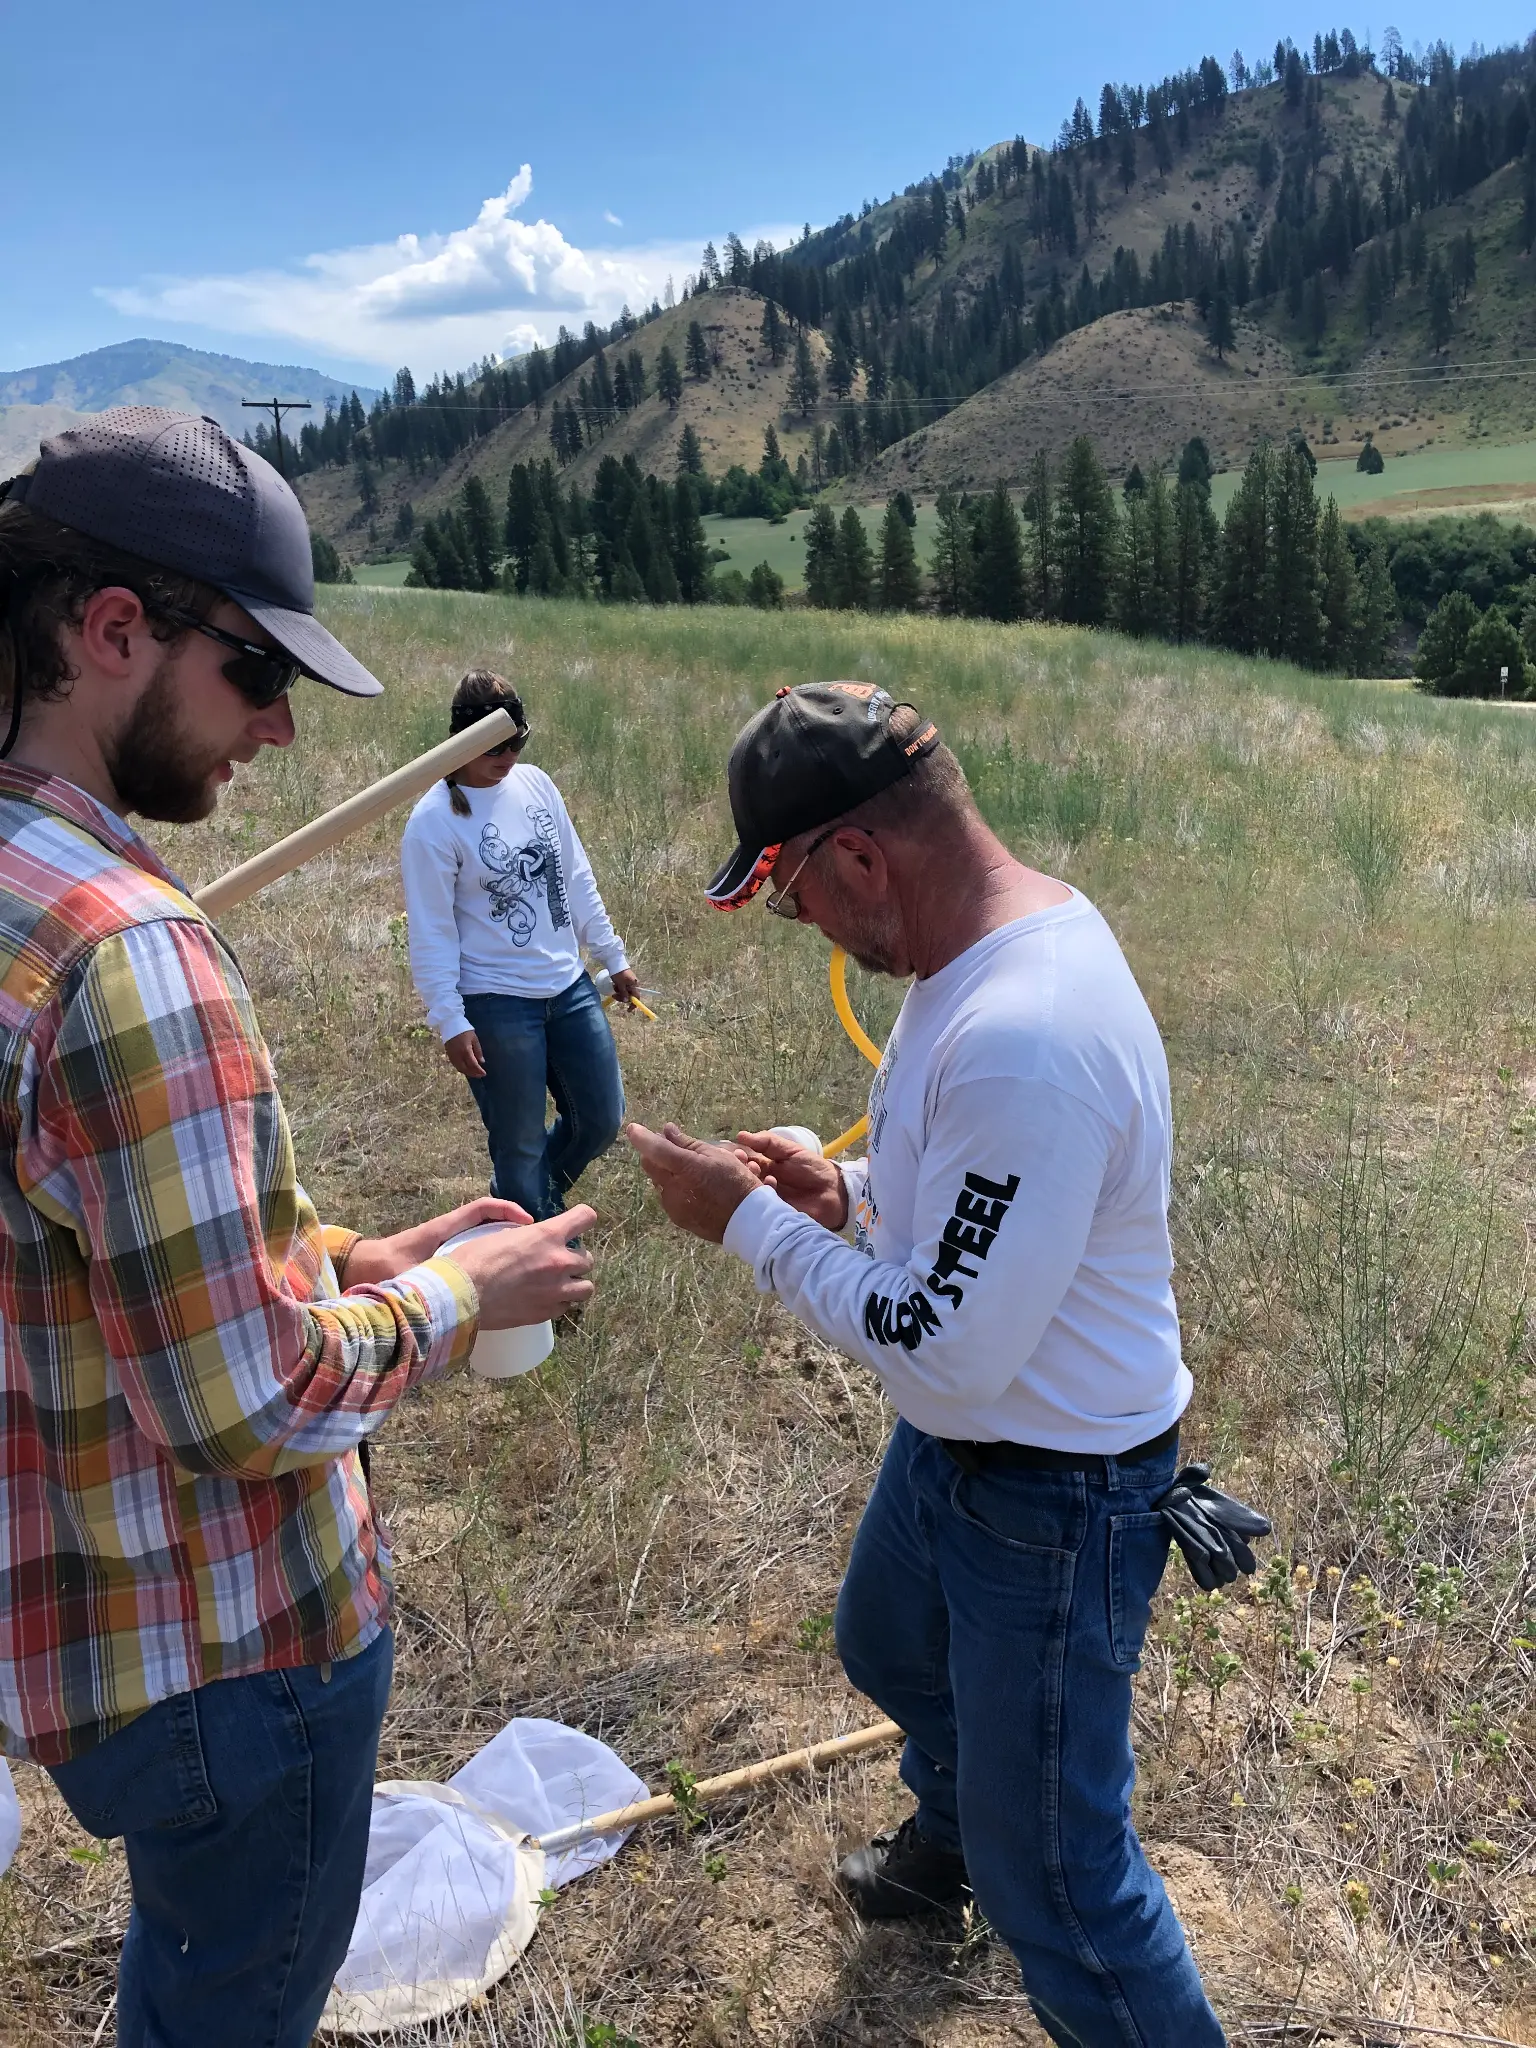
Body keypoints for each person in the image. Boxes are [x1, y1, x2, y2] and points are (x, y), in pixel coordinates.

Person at [0, 410, 595, 2048]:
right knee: (230, 2008)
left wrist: (347, 1262)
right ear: (111, 630)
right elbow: (245, 1397)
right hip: (230, 1653)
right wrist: (458, 1298)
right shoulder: (129, 957)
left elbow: (88, 1261)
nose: (274, 732)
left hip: (94, 1639)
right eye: (257, 674)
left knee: (190, 1975)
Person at [627, 682, 1227, 2047]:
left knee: (1067, 1887)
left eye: (794, 901)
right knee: (888, 1641)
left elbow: (944, 1351)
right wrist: (843, 1195)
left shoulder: (1028, 1033)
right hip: (972, 1445)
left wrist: (753, 1227)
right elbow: (967, 1216)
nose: (810, 931)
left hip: (1054, 1488)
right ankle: (967, 1831)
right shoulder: (981, 961)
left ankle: (1006, 1856)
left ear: (859, 856)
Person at [400, 669, 638, 1223]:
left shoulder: (536, 785)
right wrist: (449, 1020)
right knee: (519, 1144)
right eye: (494, 745)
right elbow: (431, 929)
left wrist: (612, 955)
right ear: (462, 738)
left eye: (517, 741)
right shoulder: (433, 822)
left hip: (568, 985)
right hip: (494, 1002)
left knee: (601, 1120)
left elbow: (575, 877)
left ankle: (529, 1198)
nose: (507, 755)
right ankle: (534, 1258)